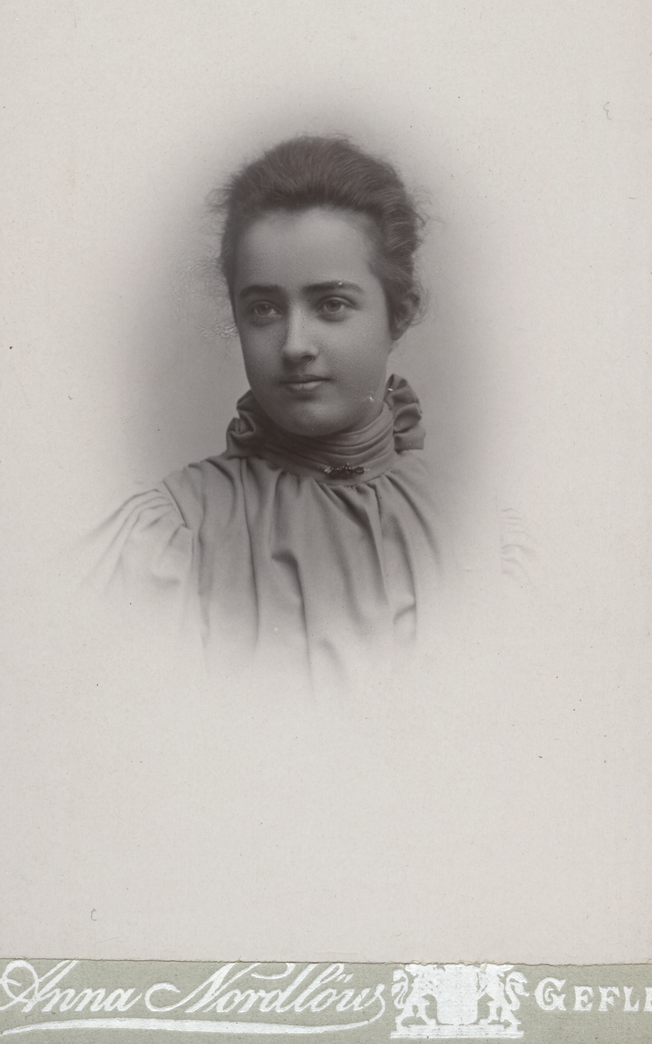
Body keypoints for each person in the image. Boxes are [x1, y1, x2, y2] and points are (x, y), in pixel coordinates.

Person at [94, 135, 444, 677]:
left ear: (398, 314)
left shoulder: (481, 529)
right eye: (264, 309)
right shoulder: (175, 530)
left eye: (332, 305)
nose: (294, 345)